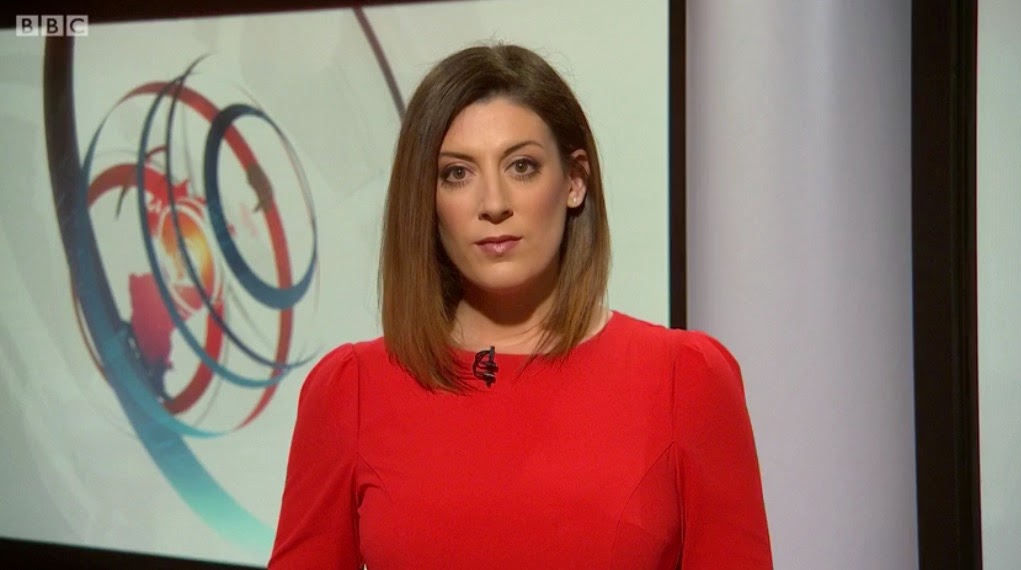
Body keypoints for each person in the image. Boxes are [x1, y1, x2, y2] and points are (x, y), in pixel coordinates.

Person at [268, 43, 772, 569]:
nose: (493, 204)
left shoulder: (685, 380)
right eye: (456, 173)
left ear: (574, 181)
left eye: (522, 166)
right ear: (427, 199)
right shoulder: (349, 391)